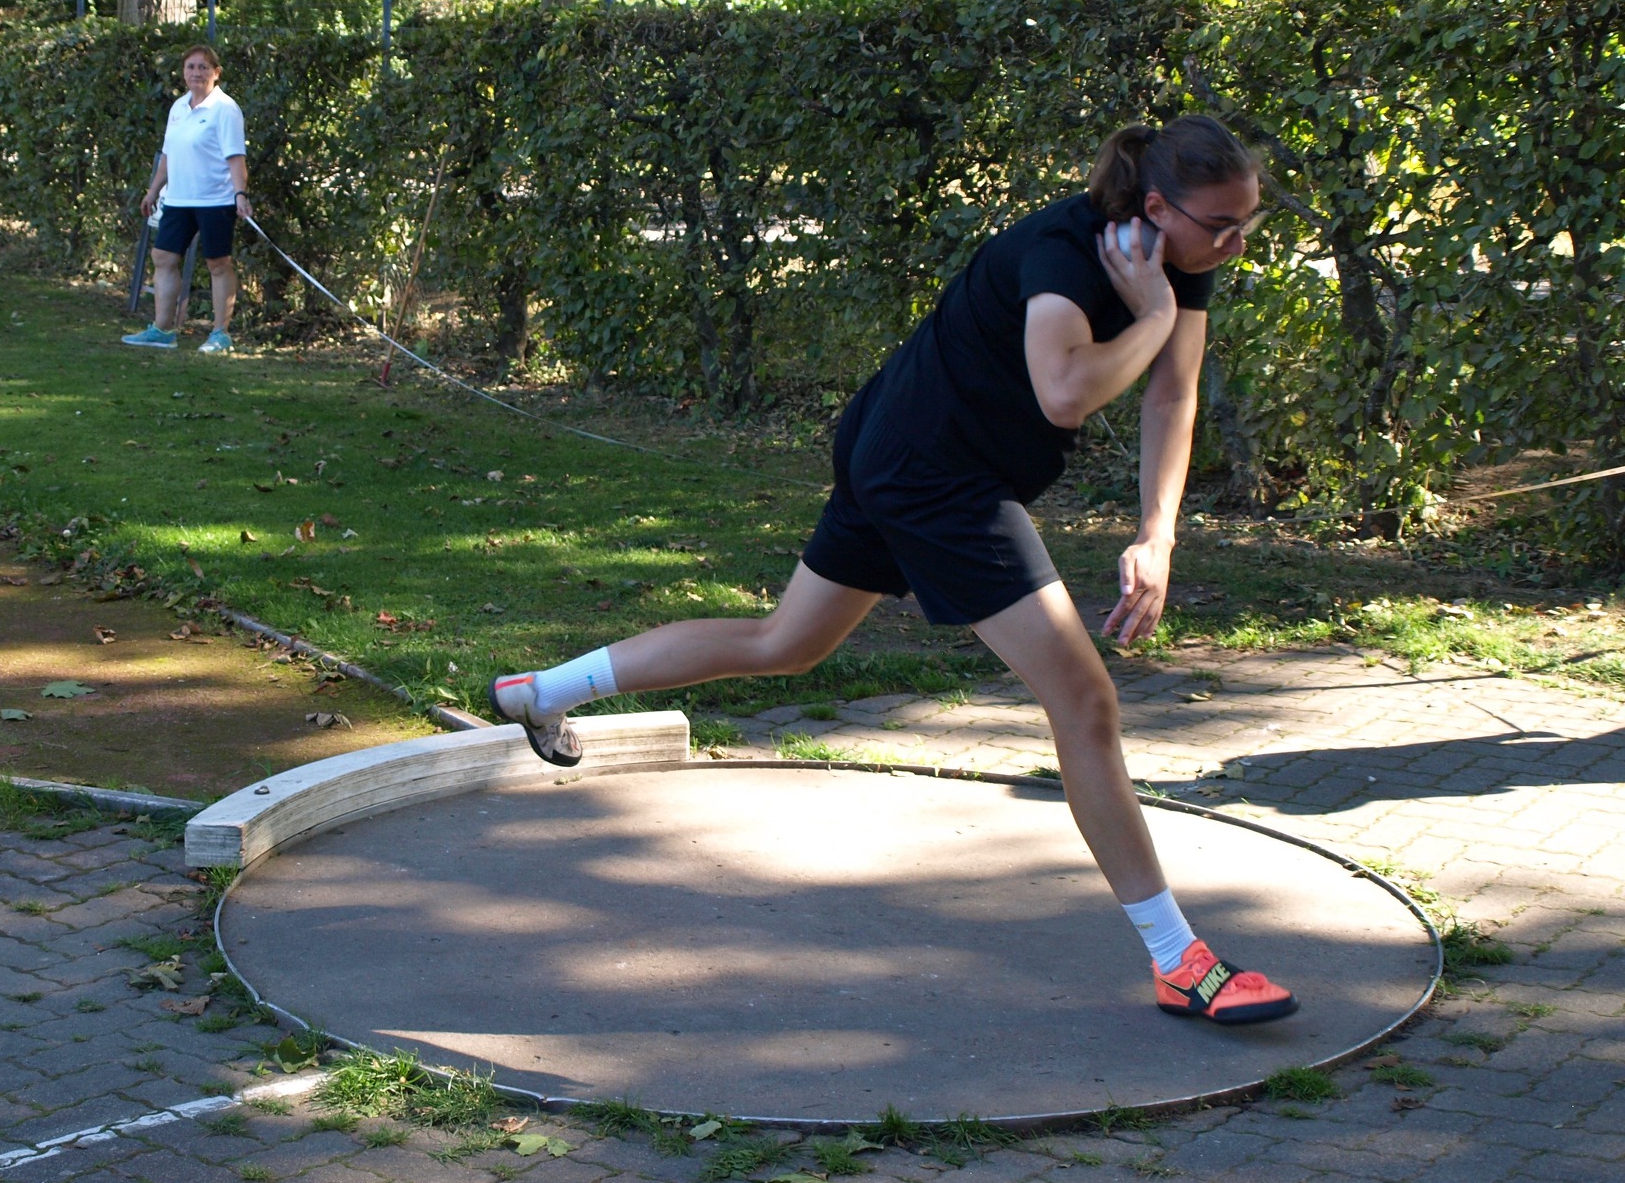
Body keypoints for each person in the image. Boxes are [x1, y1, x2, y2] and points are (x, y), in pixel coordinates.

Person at [492, 115, 1298, 1027]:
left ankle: (539, 692)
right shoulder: (1068, 255)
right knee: (1085, 702)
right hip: (936, 474)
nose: (1236, 244)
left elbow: (1172, 392)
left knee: (784, 643)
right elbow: (1065, 390)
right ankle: (1179, 961)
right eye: (1222, 225)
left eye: (1247, 223)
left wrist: (1159, 533)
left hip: (901, 444)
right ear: (1155, 207)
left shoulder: (1180, 261)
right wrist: (1151, 314)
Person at [122, 44, 251, 353]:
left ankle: (220, 334)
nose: (196, 73)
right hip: (178, 199)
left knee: (218, 263)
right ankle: (162, 330)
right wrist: (153, 190)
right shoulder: (179, 107)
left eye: (203, 67)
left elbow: (236, 158)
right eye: (191, 67)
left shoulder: (225, 108)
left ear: (216, 73)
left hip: (216, 200)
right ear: (183, 72)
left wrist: (240, 194)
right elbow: (169, 154)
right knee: (163, 258)